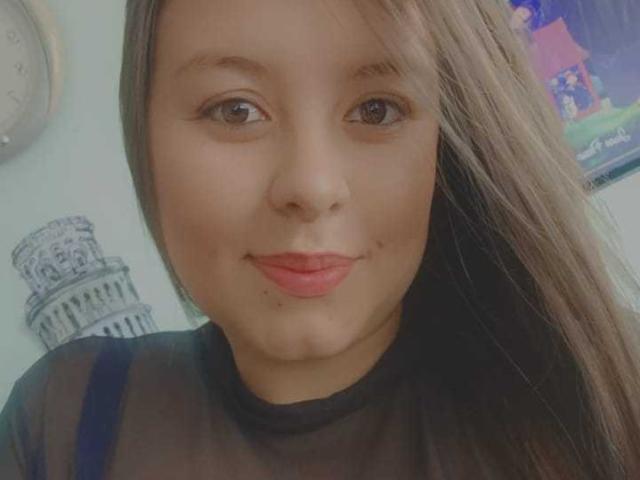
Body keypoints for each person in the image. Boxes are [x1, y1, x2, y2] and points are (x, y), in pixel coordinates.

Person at [2, 0, 640, 478]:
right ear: (144, 133)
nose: (311, 186)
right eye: (236, 110)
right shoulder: (66, 419)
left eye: (377, 110)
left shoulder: (602, 398)